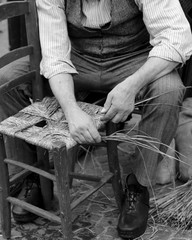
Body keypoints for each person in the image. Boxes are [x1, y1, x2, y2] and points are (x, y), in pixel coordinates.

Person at [0, 0, 192, 239]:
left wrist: (131, 87)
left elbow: (177, 38)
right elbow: (56, 57)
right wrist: (71, 111)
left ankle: (137, 186)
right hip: (78, 61)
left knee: (170, 89)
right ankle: (33, 177)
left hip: (132, 60)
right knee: (6, 80)